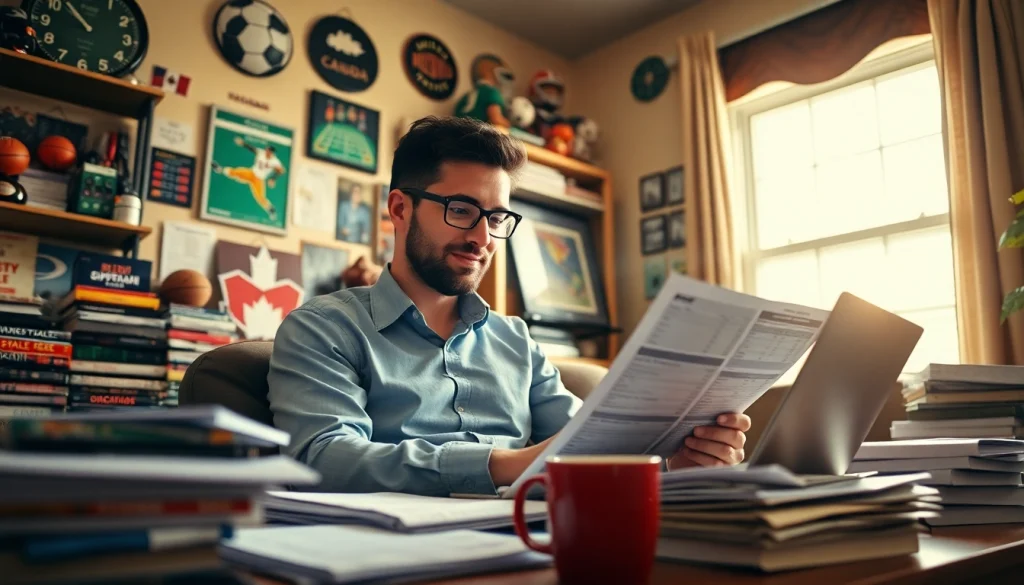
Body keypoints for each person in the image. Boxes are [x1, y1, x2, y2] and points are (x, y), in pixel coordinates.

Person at [267, 116, 751, 496]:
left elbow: (587, 442)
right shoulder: (323, 329)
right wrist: (506, 465)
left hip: (538, 532)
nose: (482, 237)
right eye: (461, 210)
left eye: (496, 217)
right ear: (399, 208)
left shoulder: (514, 340)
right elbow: (323, 459)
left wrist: (673, 464)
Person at [210, 137, 284, 221]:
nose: (269, 154)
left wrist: (273, 179)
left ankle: (271, 210)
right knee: (236, 172)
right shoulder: (261, 153)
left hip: (259, 180)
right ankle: (219, 169)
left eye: (271, 154)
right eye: (268, 152)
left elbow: (281, 170)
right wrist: (243, 143)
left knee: (260, 197)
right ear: (267, 150)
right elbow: (252, 148)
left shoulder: (275, 161)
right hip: (251, 173)